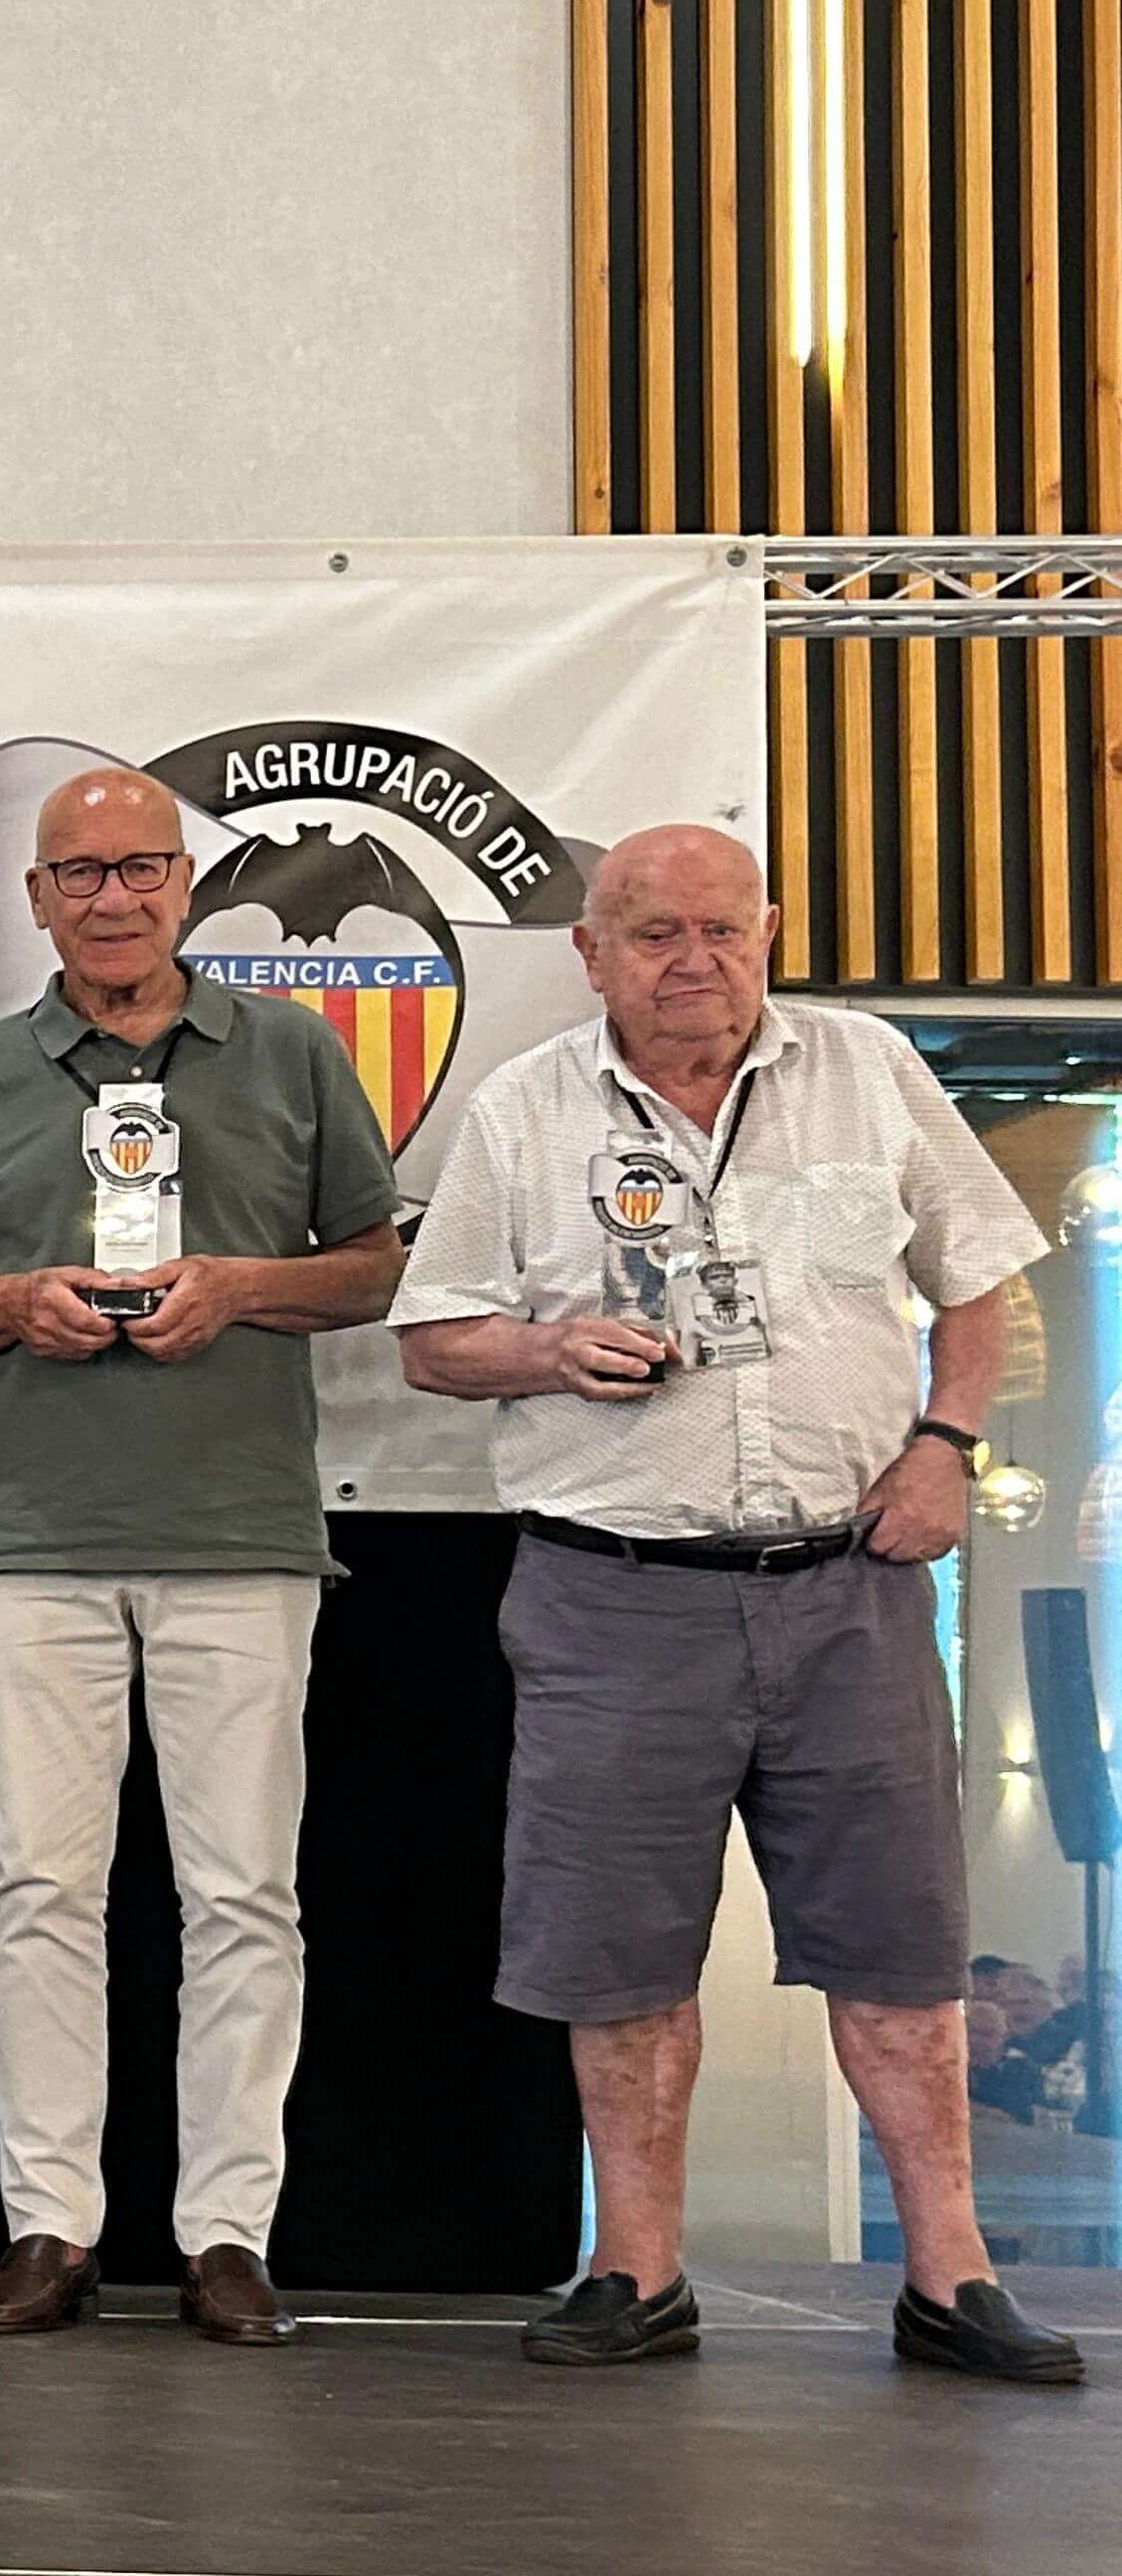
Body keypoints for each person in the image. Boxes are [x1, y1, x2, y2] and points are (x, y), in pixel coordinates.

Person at [394, 822, 1080, 2383]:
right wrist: (548, 1349)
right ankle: (636, 2271)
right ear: (592, 953)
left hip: (853, 1585)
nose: (694, 961)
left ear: (766, 932)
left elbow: (977, 1279)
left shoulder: (868, 1071)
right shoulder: (524, 1108)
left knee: (901, 1950)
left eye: (723, 929)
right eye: (656, 934)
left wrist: (947, 1446)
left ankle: (950, 2276)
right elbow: (433, 1340)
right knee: (619, 1961)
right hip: (612, 1595)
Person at [0, 763, 401, 2345]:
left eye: (139, 868)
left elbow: (376, 1268)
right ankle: (51, 2224)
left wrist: (238, 1287)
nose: (112, 897)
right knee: (41, 1889)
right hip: (32, 1544)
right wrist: (6, 1306)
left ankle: (228, 2232)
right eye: (80, 873)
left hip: (242, 1538)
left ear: (186, 884)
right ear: (37, 899)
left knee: (244, 1895)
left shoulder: (293, 1051)